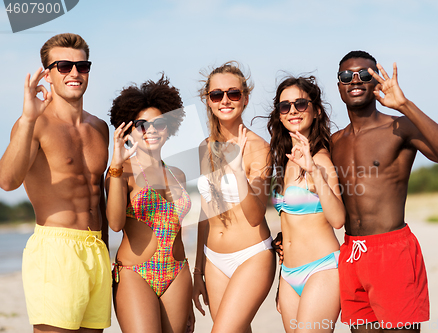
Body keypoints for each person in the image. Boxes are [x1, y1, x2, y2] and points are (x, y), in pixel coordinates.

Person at [330, 50, 438, 332]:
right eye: (347, 75)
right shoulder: (334, 142)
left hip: (391, 251)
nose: (355, 80)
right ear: (339, 85)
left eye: (365, 74)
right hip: (352, 253)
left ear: (376, 81)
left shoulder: (398, 126)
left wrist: (405, 105)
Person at [0, 33, 111, 332]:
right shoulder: (35, 123)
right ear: (47, 74)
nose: (74, 73)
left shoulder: (100, 128)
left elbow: (98, 196)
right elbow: (7, 181)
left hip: (96, 250)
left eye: (82, 66)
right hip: (56, 250)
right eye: (63, 66)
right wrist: (26, 119)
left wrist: (107, 253)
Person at [106, 74, 194, 333]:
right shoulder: (122, 173)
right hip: (135, 273)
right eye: (142, 124)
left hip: (177, 272)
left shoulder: (178, 174)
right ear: (129, 129)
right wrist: (115, 166)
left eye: (160, 123)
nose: (152, 130)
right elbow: (114, 223)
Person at [193, 61, 276, 333]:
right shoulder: (203, 148)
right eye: (217, 95)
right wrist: (198, 270)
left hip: (252, 255)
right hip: (213, 260)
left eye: (233, 93)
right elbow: (205, 213)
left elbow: (255, 216)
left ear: (245, 98)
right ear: (208, 100)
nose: (225, 100)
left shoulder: (259, 148)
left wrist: (238, 171)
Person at [267, 75, 346, 332]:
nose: (292, 111)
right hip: (289, 275)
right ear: (279, 114)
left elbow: (337, 219)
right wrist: (282, 278)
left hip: (322, 269)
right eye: (285, 106)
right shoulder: (286, 160)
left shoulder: (320, 160)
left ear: (316, 110)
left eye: (301, 104)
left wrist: (313, 171)